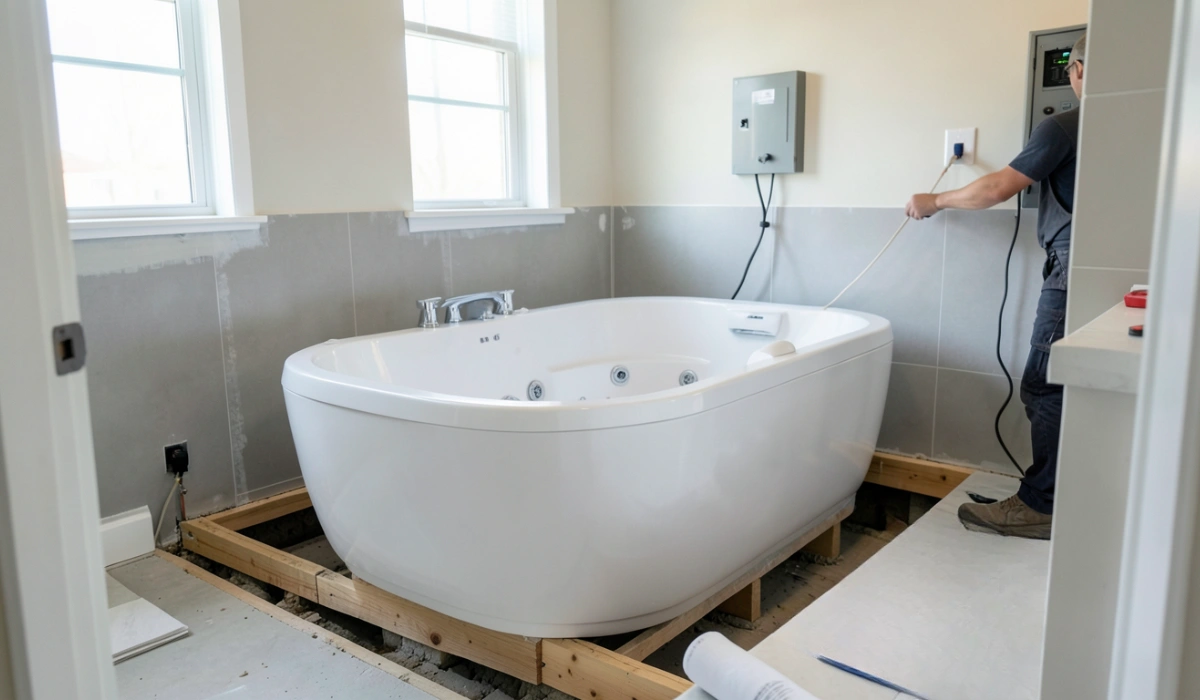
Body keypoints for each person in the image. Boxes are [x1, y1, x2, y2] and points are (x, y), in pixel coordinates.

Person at [905, 34, 1086, 540]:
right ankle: (1068, 496)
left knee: (1045, 385)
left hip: (1072, 271)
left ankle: (1041, 505)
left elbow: (995, 188)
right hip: (1113, 277)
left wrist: (933, 201)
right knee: (1080, 387)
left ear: (1076, 71)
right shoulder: (1143, 124)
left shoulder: (1064, 126)